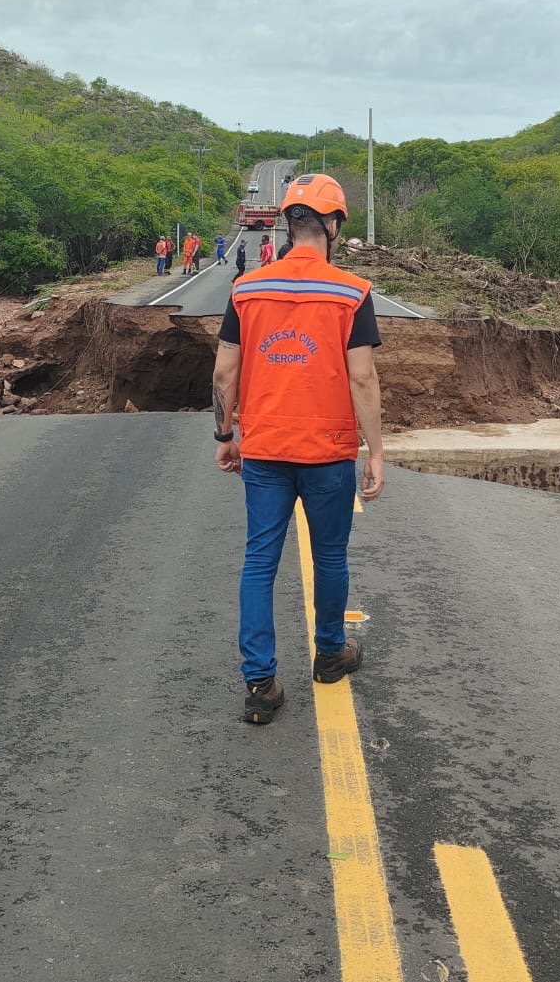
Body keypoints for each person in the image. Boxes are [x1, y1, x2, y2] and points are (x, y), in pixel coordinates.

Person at [212, 174, 386, 725]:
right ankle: (330, 653)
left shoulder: (246, 290)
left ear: (289, 223)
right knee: (330, 555)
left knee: (259, 560)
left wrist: (225, 435)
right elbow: (362, 380)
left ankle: (260, 683)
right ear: (333, 225)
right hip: (329, 452)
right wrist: (376, 452)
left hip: (264, 449)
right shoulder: (351, 292)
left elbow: (224, 370)